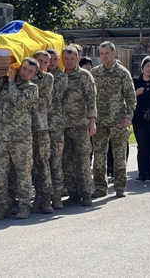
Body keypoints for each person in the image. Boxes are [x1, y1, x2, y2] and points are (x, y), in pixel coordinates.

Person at [0, 58, 39, 220]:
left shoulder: (32, 88)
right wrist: (3, 78)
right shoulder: (3, 84)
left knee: (23, 174)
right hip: (0, 139)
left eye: (30, 71)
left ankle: (24, 206)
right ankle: (2, 205)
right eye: (24, 69)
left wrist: (11, 83)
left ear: (34, 74)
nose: (26, 73)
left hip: (20, 140)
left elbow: (19, 101)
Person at [90, 41, 136, 198]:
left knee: (119, 156)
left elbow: (131, 97)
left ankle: (120, 186)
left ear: (114, 53)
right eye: (101, 53)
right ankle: (100, 188)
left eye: (106, 53)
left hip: (118, 121)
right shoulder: (95, 72)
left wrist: (128, 117)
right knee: (99, 157)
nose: (104, 56)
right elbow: (90, 96)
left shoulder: (123, 73)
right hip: (100, 121)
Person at [61, 46, 97, 206]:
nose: (69, 62)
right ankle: (73, 192)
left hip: (81, 125)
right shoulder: (60, 77)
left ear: (77, 58)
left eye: (72, 59)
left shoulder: (84, 75)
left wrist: (92, 122)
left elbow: (91, 99)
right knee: (67, 161)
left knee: (82, 161)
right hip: (63, 126)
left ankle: (86, 193)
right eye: (66, 59)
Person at [30, 50, 54, 213]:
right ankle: (32, 197)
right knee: (27, 166)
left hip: (41, 126)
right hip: (24, 128)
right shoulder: (24, 75)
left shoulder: (47, 78)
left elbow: (42, 99)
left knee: (43, 164)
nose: (43, 65)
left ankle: (45, 199)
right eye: (40, 61)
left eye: (46, 62)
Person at [46, 48, 68, 207]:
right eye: (48, 59)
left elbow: (54, 93)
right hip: (39, 126)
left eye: (54, 59)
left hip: (56, 125)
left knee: (56, 162)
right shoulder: (37, 75)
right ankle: (43, 196)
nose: (52, 62)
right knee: (41, 164)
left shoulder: (61, 76)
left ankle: (57, 196)